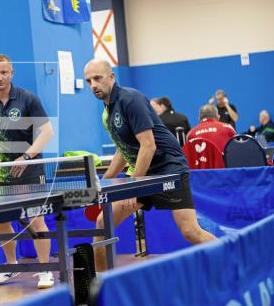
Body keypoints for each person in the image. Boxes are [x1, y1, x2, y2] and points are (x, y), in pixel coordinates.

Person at [84, 58, 216, 272]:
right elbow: (123, 151)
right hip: (143, 172)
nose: (93, 85)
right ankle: (101, 285)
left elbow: (148, 146)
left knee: (191, 231)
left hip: (168, 170)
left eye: (97, 78)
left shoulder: (130, 99)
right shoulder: (107, 113)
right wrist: (105, 182)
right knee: (102, 224)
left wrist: (133, 188)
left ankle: (233, 260)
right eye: (89, 81)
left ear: (111, 76)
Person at [0, 54, 55, 289]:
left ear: (11, 73)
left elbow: (47, 132)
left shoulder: (28, 99)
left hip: (30, 171)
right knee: (3, 222)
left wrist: (26, 157)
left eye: (3, 72)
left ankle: (45, 269)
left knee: (35, 219)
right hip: (2, 173)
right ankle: (11, 265)